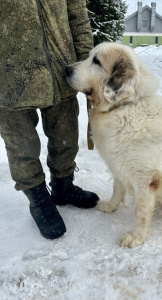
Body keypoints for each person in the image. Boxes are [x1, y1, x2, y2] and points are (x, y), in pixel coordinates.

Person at [0, 0, 99, 239]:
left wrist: (87, 65)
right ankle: (38, 199)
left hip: (60, 70)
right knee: (22, 145)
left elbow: (77, 15)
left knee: (66, 137)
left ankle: (63, 187)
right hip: (8, 76)